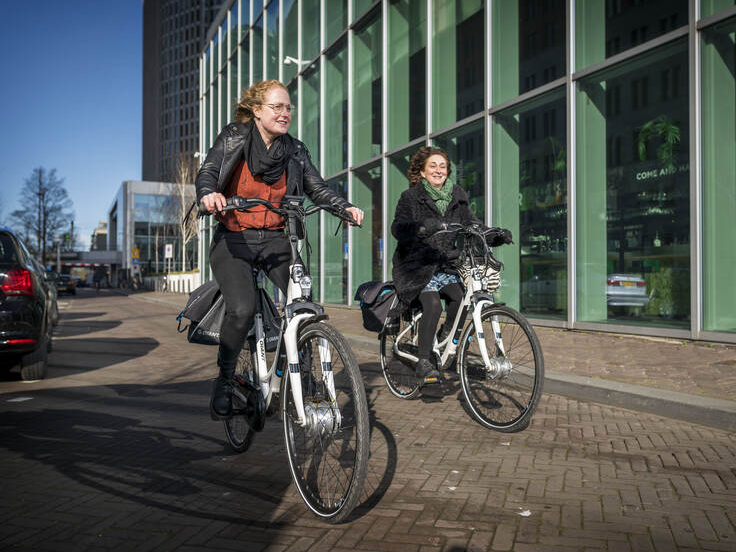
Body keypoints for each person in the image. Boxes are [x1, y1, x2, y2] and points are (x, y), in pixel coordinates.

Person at [196, 79, 364, 420]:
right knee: (241, 310)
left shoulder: (296, 150)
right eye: (277, 107)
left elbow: (316, 188)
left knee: (304, 303)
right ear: (257, 111)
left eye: (288, 107)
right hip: (234, 239)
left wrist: (343, 206)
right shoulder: (234, 136)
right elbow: (210, 170)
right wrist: (209, 193)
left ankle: (302, 374)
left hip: (276, 238)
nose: (285, 113)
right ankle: (225, 381)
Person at [390, 147, 512, 383]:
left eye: (442, 166)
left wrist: (495, 234)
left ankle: (444, 336)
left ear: (447, 172)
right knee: (433, 305)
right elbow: (398, 228)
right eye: (433, 166)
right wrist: (422, 227)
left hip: (445, 264)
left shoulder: (457, 195)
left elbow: (472, 224)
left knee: (460, 299)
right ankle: (424, 361)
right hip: (416, 265)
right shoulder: (410, 197)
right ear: (423, 172)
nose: (438, 170)